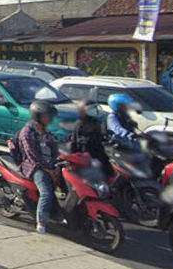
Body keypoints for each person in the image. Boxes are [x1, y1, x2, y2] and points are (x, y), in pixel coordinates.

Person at [17, 100, 60, 234]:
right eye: (48, 116)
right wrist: (49, 170)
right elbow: (32, 155)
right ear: (38, 116)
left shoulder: (46, 132)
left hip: (50, 165)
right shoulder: (27, 132)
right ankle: (41, 222)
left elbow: (55, 149)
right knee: (46, 193)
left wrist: (58, 164)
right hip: (35, 167)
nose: (51, 118)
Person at [69, 99, 113, 177]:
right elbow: (82, 144)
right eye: (91, 109)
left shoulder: (95, 121)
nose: (94, 110)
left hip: (100, 154)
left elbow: (100, 137)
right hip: (88, 157)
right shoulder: (81, 124)